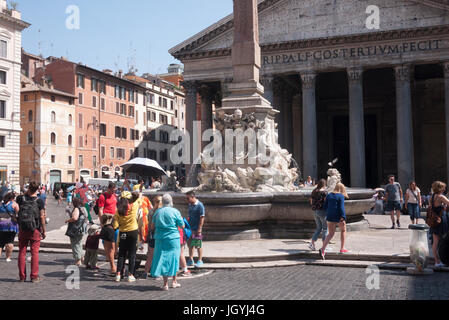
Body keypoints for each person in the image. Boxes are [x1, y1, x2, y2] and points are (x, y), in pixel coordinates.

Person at [150, 194, 185, 290]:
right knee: (174, 259)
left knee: (163, 259)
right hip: (173, 238)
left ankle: (165, 284)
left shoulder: (157, 212)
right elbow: (182, 226)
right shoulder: (175, 211)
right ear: (171, 201)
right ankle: (174, 281)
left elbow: (152, 227)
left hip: (160, 238)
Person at [16, 182, 46, 283]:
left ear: (28, 187)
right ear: (37, 189)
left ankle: (22, 277)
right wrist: (44, 230)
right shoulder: (39, 201)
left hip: (23, 228)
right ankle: (34, 276)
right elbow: (42, 216)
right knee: (34, 252)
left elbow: (17, 212)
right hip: (35, 229)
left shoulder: (20, 198)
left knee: (22, 252)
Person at [113, 191, 142, 282]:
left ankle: (118, 274)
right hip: (133, 232)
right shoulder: (133, 207)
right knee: (132, 254)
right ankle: (130, 275)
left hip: (122, 233)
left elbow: (115, 225)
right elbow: (139, 198)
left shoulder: (118, 211)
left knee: (121, 254)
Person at [319, 183, 349, 260]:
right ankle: (342, 248)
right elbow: (341, 207)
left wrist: (330, 212)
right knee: (343, 230)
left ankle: (322, 249)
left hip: (329, 216)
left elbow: (325, 206)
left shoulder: (329, 195)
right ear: (342, 189)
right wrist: (343, 217)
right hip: (338, 216)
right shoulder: (341, 196)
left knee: (331, 234)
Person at [428, 181, 449, 268]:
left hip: (434, 221)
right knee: (444, 240)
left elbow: (433, 207)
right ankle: (444, 259)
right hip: (441, 221)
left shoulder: (432, 197)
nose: (444, 189)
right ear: (440, 188)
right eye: (443, 187)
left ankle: (437, 261)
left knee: (435, 242)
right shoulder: (441, 197)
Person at [185, 191, 205, 268]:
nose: (187, 200)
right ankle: (190, 259)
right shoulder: (190, 204)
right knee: (190, 245)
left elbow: (202, 218)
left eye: (188, 198)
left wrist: (199, 229)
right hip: (190, 228)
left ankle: (200, 260)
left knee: (198, 245)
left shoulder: (200, 205)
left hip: (197, 229)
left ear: (192, 197)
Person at [144, 195, 161, 279]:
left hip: (151, 234)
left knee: (150, 255)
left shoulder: (151, 211)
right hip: (158, 234)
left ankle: (145, 272)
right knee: (158, 255)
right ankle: (156, 272)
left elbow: (149, 223)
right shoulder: (160, 212)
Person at [65, 197, 86, 266]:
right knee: (79, 244)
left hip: (75, 230)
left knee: (75, 245)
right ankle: (82, 258)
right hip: (81, 229)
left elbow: (75, 218)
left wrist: (68, 220)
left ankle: (78, 260)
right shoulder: (82, 208)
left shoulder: (76, 209)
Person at [309, 179, 328, 251]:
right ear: (324, 184)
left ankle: (312, 243)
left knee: (318, 228)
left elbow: (310, 199)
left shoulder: (314, 191)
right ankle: (324, 246)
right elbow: (326, 202)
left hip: (315, 211)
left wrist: (313, 206)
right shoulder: (325, 192)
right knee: (325, 229)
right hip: (323, 211)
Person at [0, 192, 19, 262]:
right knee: (10, 241)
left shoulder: (0, 204)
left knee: (0, 243)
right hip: (11, 225)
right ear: (12, 198)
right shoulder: (14, 204)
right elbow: (18, 215)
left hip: (1, 224)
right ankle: (8, 257)